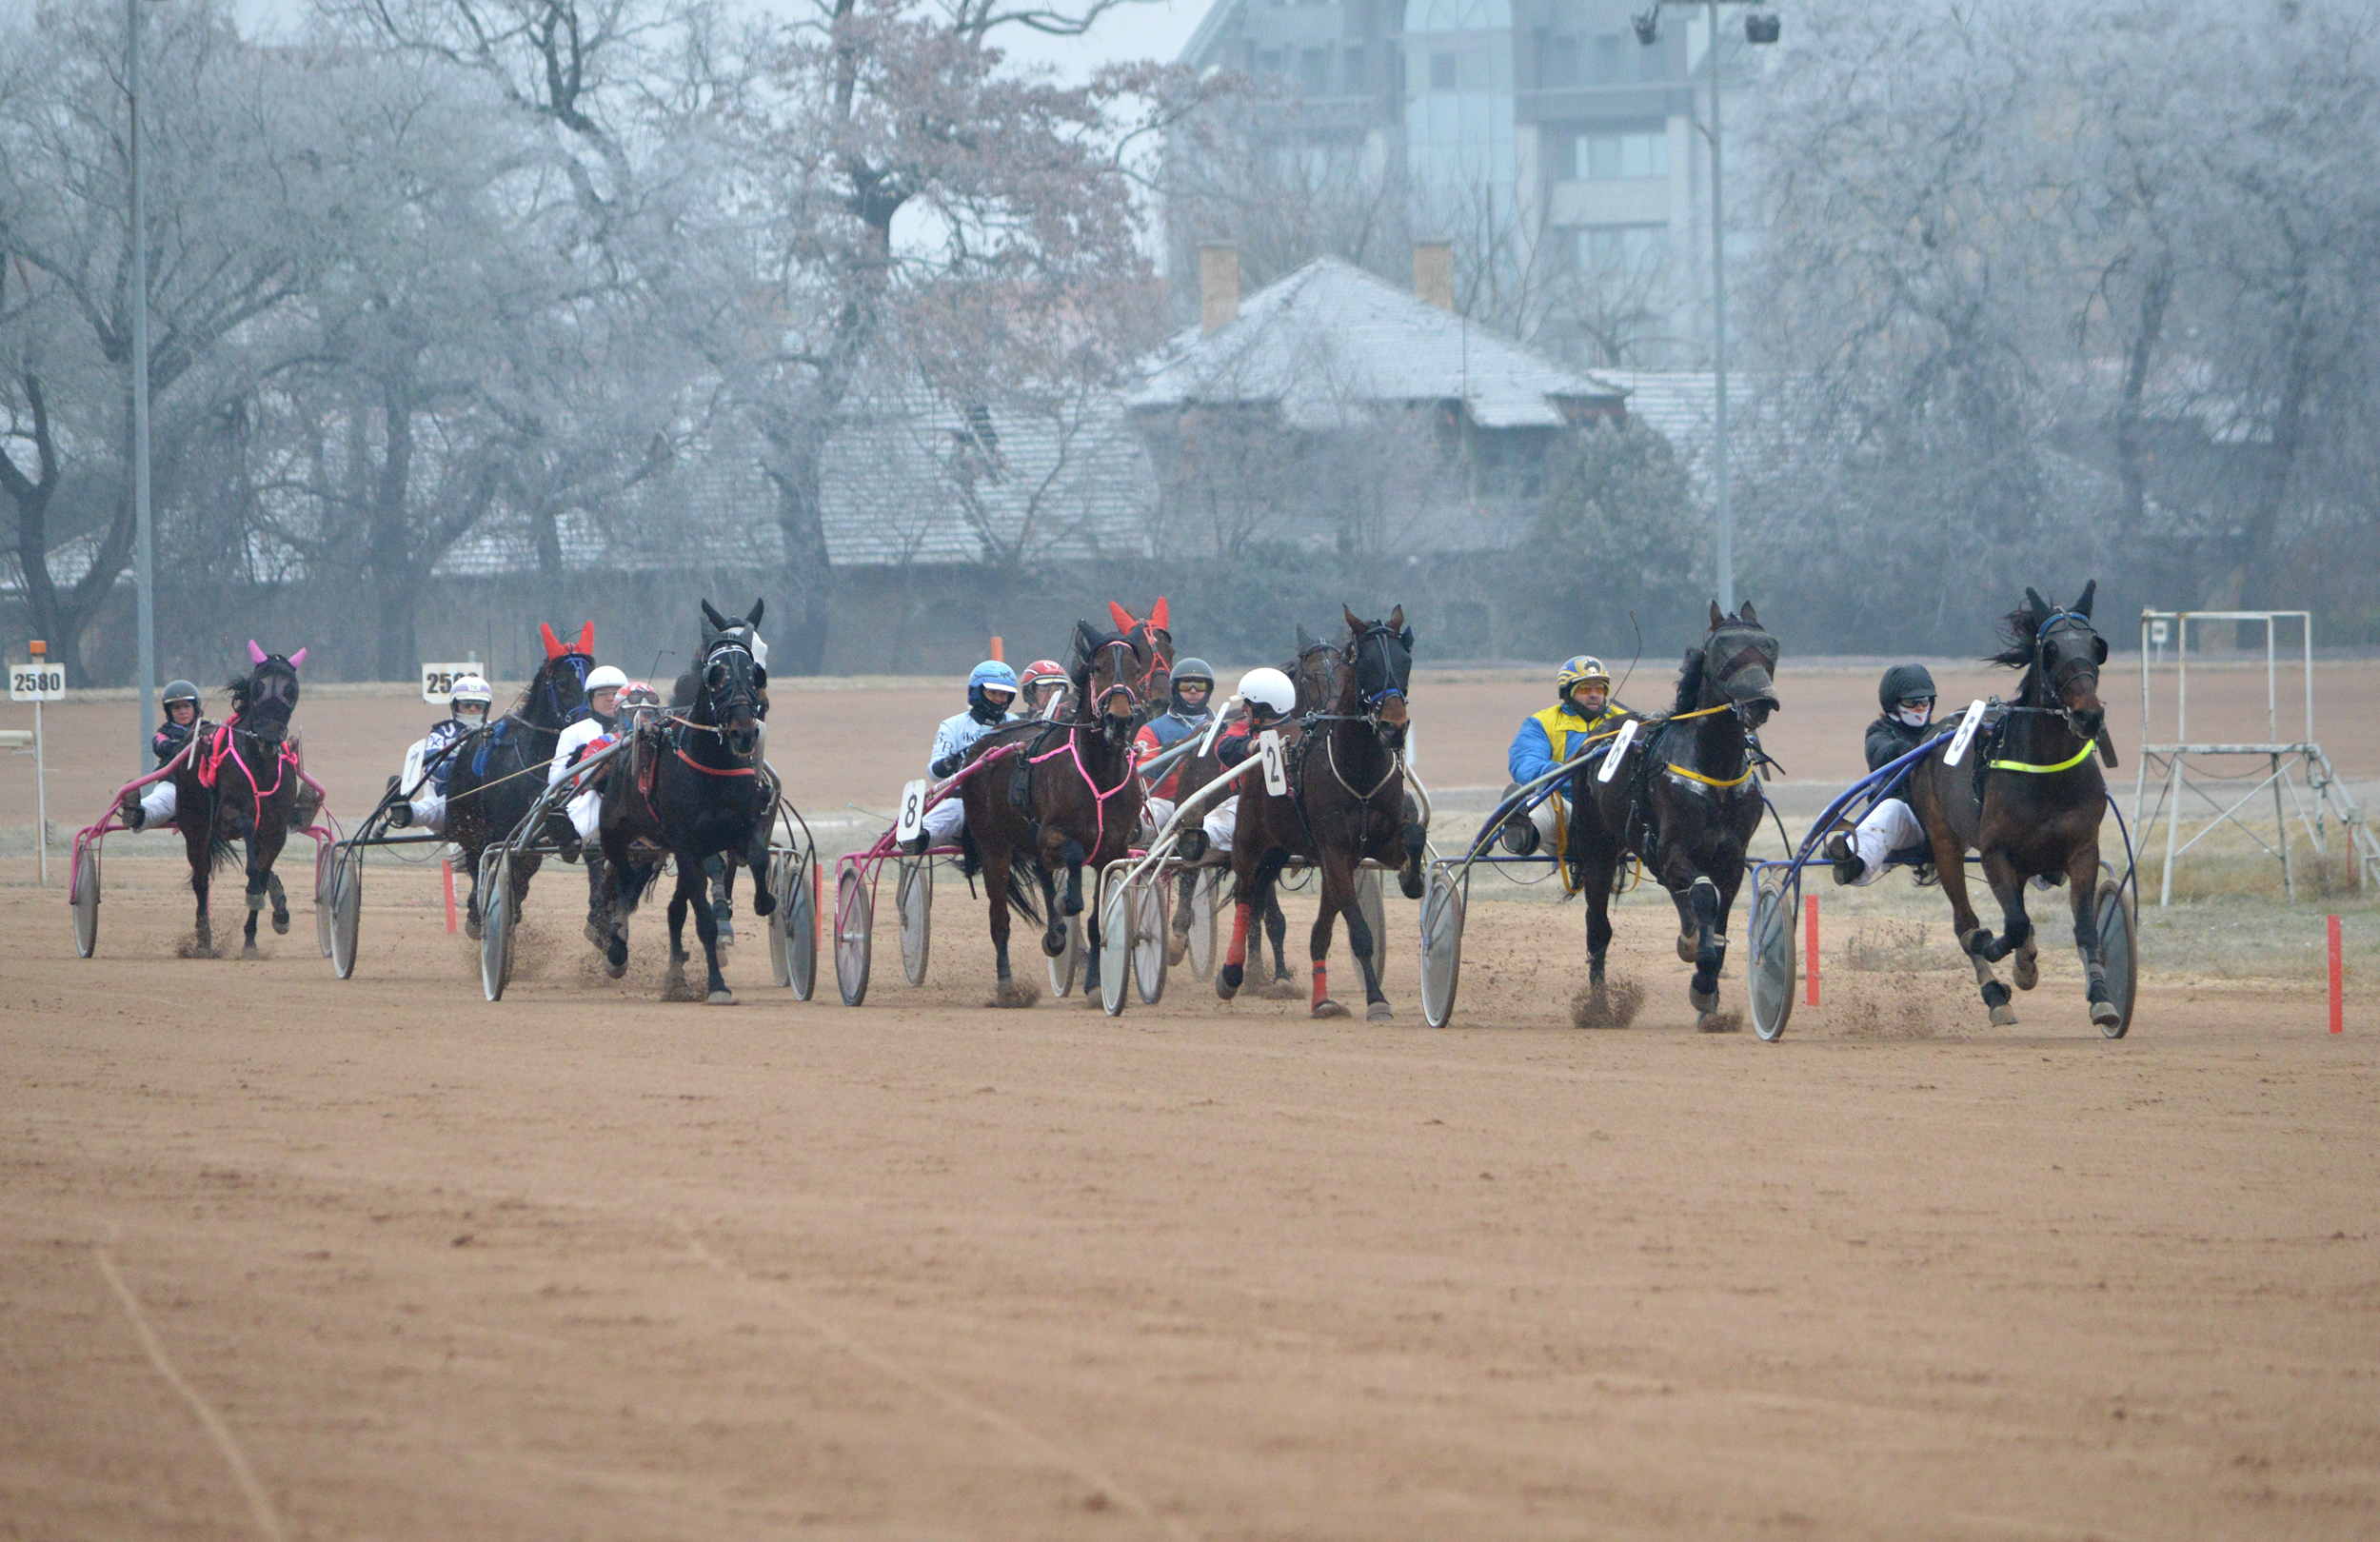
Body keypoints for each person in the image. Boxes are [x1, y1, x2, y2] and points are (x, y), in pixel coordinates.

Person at [1499, 655, 1629, 857]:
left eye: (1600, 689)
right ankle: (1525, 832)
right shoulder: (1541, 723)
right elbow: (1524, 763)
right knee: (1548, 803)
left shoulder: (1627, 722)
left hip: (1616, 812)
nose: (1594, 695)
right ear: (1568, 692)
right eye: (1586, 689)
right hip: (1566, 812)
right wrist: (1558, 771)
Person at [1825, 663, 1939, 885]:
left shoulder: (1938, 733)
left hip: (1945, 820)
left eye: (1924, 701)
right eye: (1911, 702)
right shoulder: (1879, 732)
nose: (1918, 707)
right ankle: (1853, 864)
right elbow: (1880, 752)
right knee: (1891, 808)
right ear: (1893, 704)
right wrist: (1905, 750)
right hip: (1908, 825)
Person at [904, 661, 1019, 855]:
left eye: (1004, 694)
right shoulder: (953, 725)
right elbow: (934, 773)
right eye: (993, 693)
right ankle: (920, 837)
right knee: (955, 809)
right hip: (966, 800)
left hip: (1007, 802)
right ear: (976, 692)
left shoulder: (1017, 724)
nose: (1000, 699)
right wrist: (951, 763)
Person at [1197, 667, 1298, 858]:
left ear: (1263, 707)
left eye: (1248, 704)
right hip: (1247, 805)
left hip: (1295, 807)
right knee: (1204, 832)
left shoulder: (1298, 731)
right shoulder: (1241, 728)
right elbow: (1224, 748)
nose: (1243, 709)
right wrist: (1254, 746)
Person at [387, 673, 493, 833]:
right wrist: (459, 770)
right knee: (431, 807)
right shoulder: (442, 733)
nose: (473, 709)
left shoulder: (497, 730)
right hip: (452, 799)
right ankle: (404, 812)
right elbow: (431, 769)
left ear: (486, 707)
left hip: (490, 798)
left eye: (479, 705)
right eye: (467, 704)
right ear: (455, 705)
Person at [549, 663, 629, 860]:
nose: (610, 698)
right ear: (590, 699)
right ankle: (573, 835)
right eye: (602, 693)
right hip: (586, 797)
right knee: (594, 795)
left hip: (629, 798)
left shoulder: (640, 728)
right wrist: (574, 765)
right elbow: (554, 781)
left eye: (616, 692)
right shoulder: (573, 733)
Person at [1133, 657, 1216, 836]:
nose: (1193, 691)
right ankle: (1135, 833)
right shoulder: (1152, 729)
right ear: (1175, 689)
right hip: (1166, 802)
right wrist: (1164, 758)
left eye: (1199, 686)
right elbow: (1142, 772)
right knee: (1144, 815)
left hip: (1214, 804)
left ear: (1208, 690)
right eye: (1186, 686)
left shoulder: (1222, 726)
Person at [121, 681, 203, 831]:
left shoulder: (208, 730)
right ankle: (136, 814)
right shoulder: (165, 734)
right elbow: (160, 745)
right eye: (177, 708)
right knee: (160, 802)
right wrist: (179, 747)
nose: (182, 712)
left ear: (195, 708)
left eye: (186, 706)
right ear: (169, 712)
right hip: (175, 785)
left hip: (205, 789)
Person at [1018, 658, 1073, 722]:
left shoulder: (1073, 723)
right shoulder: (1015, 722)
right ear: (1029, 693)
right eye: (1045, 688)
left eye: (1058, 689)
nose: (1052, 694)